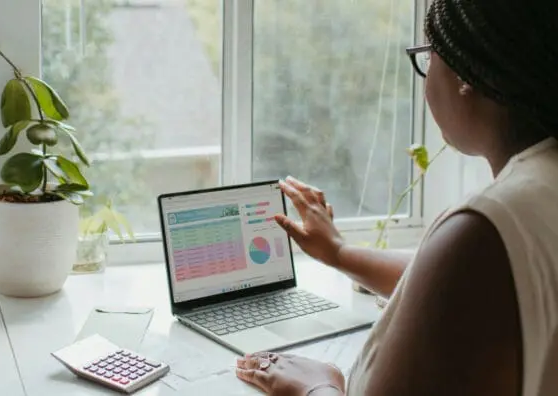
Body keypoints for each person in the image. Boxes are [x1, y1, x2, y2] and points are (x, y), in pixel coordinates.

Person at [235, 0, 558, 395]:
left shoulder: (486, 228)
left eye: (427, 57)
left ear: (465, 75)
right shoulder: (537, 197)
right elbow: (447, 285)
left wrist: (315, 387)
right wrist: (338, 252)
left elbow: (461, 272)